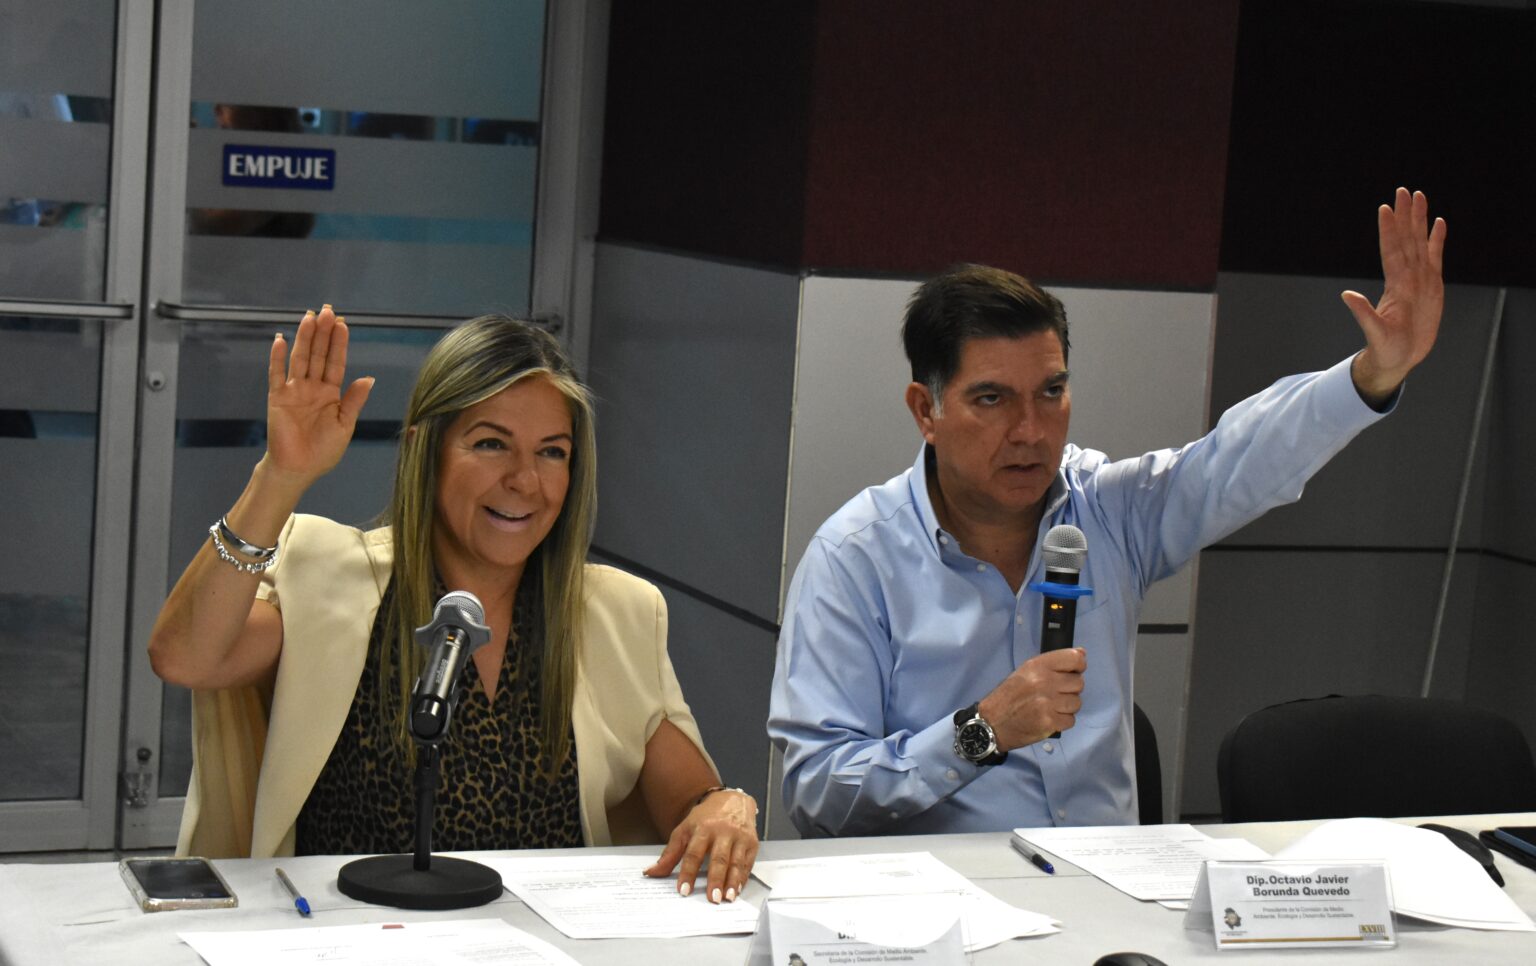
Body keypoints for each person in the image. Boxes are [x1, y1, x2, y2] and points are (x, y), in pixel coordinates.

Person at [768, 188, 1446, 837]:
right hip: (938, 893)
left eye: (1051, 392)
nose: (1031, 431)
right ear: (926, 410)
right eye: (992, 399)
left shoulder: (1105, 510)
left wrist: (1372, 374)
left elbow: (1238, 461)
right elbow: (818, 793)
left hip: (1109, 886)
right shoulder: (856, 558)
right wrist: (980, 732)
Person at [150, 310, 758, 902]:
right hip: (353, 937)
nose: (525, 480)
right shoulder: (331, 578)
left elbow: (691, 800)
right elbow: (184, 658)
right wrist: (280, 476)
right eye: (492, 444)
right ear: (426, 450)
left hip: (538, 945)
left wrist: (725, 807)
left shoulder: (613, 613)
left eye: (552, 452)